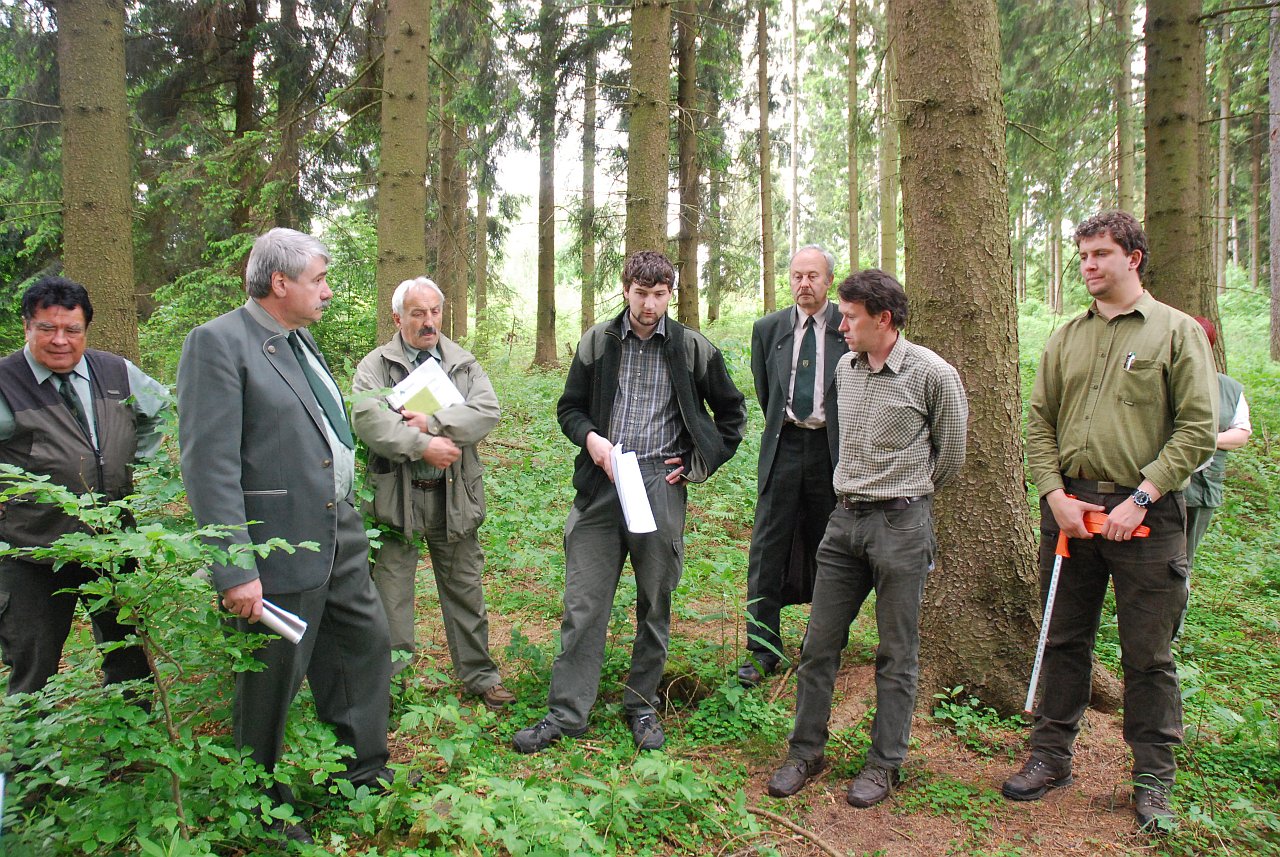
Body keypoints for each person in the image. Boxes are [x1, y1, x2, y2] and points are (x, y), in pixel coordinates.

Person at [177, 228, 394, 844]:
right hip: (275, 543)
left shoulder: (300, 340)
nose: (327, 291)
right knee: (271, 675)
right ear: (279, 283)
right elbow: (210, 464)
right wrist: (234, 567)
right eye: (318, 280)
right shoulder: (219, 343)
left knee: (363, 642)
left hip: (338, 527)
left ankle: (360, 772)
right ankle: (261, 805)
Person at [1003, 210, 1216, 832]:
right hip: (1071, 513)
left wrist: (1142, 497)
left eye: (1100, 254)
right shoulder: (1067, 336)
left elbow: (1198, 428)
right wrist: (1054, 495)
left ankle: (1153, 780)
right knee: (1063, 639)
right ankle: (1050, 756)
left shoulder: (1176, 332)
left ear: (1133, 258)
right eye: (1083, 255)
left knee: (1148, 653)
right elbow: (1039, 420)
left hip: (1146, 518)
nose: (1089, 265)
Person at [512, 250, 746, 754]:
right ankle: (566, 713)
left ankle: (641, 705)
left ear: (670, 294)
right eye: (641, 293)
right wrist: (591, 439)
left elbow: (732, 414)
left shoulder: (691, 348)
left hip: (659, 483)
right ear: (625, 290)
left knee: (654, 601)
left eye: (659, 294)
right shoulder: (599, 342)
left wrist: (699, 462)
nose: (649, 305)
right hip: (603, 482)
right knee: (583, 603)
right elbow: (570, 408)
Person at [765, 268, 968, 808]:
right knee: (818, 645)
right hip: (844, 523)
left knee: (896, 653)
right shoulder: (846, 369)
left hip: (901, 526)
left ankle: (884, 764)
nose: (842, 326)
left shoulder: (933, 374)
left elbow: (951, 456)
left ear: (884, 319)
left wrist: (906, 493)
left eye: (851, 318)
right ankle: (805, 752)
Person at [351, 276, 514, 710]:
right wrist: (423, 445)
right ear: (397, 318)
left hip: (453, 496)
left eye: (435, 311)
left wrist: (434, 423)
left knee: (465, 589)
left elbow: (486, 411)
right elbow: (368, 420)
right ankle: (390, 689)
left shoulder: (461, 363)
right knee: (391, 597)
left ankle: (480, 676)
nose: (429, 321)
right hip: (394, 499)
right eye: (418, 313)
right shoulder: (375, 366)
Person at [0, 276, 168, 695]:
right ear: (27, 326)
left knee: (129, 652)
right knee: (33, 661)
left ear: (86, 329)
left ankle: (130, 734)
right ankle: (30, 738)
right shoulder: (5, 382)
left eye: (72, 329)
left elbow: (161, 410)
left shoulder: (115, 371)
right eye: (47, 328)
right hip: (33, 549)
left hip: (113, 539)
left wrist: (131, 460)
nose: (60, 340)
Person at [738, 245, 848, 687]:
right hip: (783, 445)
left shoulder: (846, 327)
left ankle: (821, 646)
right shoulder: (768, 329)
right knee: (767, 547)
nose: (804, 284)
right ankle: (761, 649)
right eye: (797, 275)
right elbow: (766, 390)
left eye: (813, 276)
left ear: (829, 281)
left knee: (831, 548)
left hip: (830, 450)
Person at [1183, 316, 1251, 569]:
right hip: (1155, 484)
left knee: (1183, 559)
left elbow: (1241, 434)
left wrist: (1202, 440)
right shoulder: (1160, 379)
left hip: (1202, 484)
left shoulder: (1228, 388)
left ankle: (1179, 595)